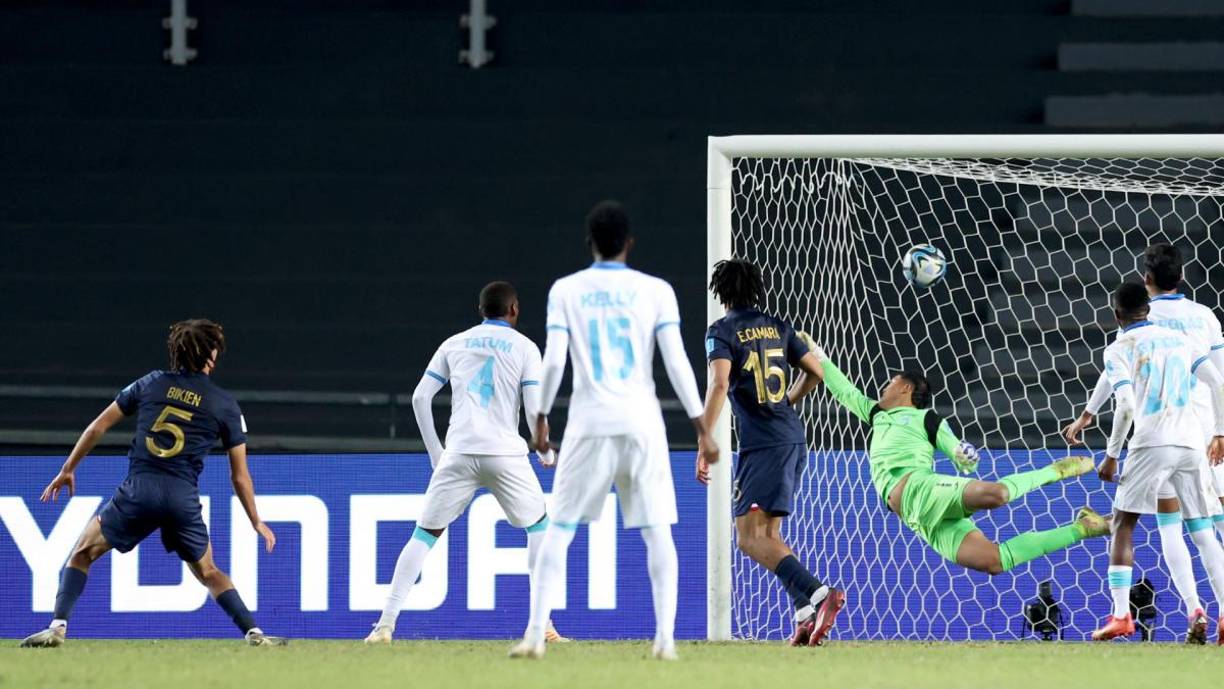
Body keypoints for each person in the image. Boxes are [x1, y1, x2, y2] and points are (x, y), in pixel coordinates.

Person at [509, 200, 715, 660]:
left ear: (590, 242)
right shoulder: (656, 290)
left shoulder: (566, 290)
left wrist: (540, 417)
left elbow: (554, 360)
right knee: (657, 531)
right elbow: (676, 361)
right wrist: (702, 425)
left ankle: (535, 636)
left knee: (559, 529)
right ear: (629, 243)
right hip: (642, 422)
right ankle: (665, 640)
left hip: (589, 422)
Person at [21, 319, 285, 647]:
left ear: (177, 351)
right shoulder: (225, 405)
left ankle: (58, 627)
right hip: (181, 499)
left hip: (139, 491)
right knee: (209, 572)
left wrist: (68, 469)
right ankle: (254, 633)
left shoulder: (151, 382)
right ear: (212, 355)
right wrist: (255, 519)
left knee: (82, 553)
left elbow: (97, 427)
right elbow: (239, 475)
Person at [364, 282, 565, 644]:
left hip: (458, 452)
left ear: (481, 310)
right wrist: (545, 452)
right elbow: (535, 411)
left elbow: (420, 398)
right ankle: (542, 626)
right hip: (504, 454)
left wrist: (436, 454)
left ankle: (384, 625)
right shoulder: (525, 348)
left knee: (424, 535)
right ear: (514, 309)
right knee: (539, 529)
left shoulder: (454, 343)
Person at [806, 342, 1108, 575]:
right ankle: (1083, 528)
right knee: (994, 561)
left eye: (891, 381)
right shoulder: (876, 413)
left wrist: (965, 455)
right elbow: (843, 389)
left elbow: (958, 452)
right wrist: (814, 351)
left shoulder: (926, 419)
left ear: (905, 388)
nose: (885, 386)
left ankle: (1056, 470)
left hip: (920, 487)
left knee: (997, 495)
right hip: (918, 518)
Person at [698, 258, 843, 646]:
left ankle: (819, 593)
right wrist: (787, 401)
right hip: (791, 437)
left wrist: (704, 438)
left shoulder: (721, 331)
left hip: (763, 444)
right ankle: (804, 612)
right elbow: (816, 372)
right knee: (769, 534)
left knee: (748, 537)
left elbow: (719, 384)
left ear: (721, 292)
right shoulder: (779, 326)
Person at [1089, 281, 1224, 643]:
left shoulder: (1119, 348)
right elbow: (1216, 381)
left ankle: (1121, 615)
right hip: (1191, 442)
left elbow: (1126, 406)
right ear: (1147, 309)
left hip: (1151, 444)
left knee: (1123, 523)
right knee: (1202, 530)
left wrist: (1111, 456)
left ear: (1116, 314)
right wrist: (1219, 431)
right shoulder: (1179, 340)